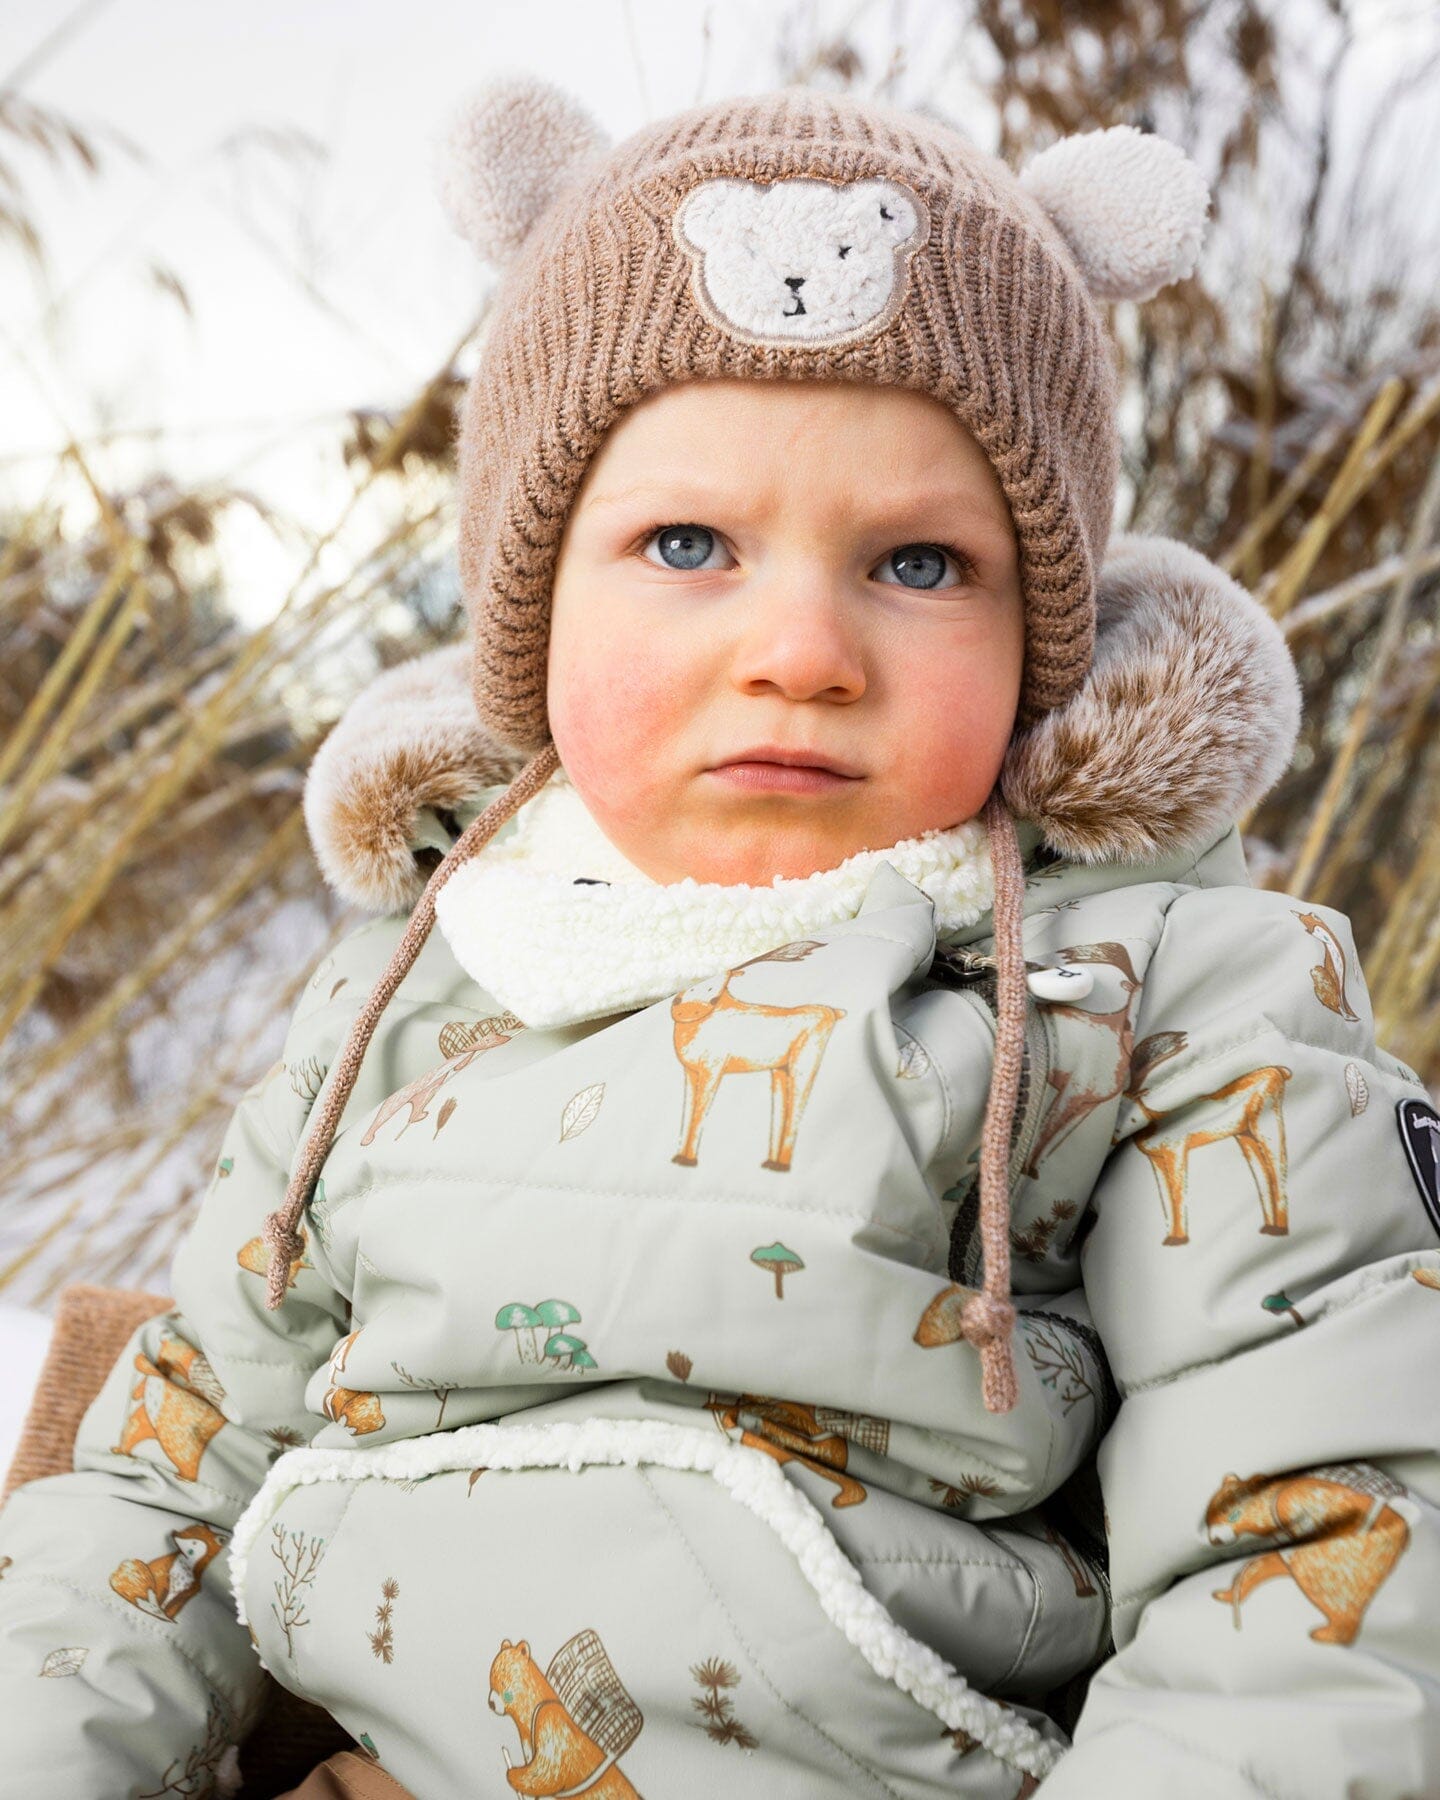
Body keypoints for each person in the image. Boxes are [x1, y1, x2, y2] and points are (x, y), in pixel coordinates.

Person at [2, 76, 1437, 1800]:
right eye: (688, 544)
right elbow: (167, 1476)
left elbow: (1320, 1536)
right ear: (532, 612)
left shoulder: (1169, 998)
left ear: (1041, 636)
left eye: (918, 563)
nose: (802, 648)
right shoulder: (409, 989)